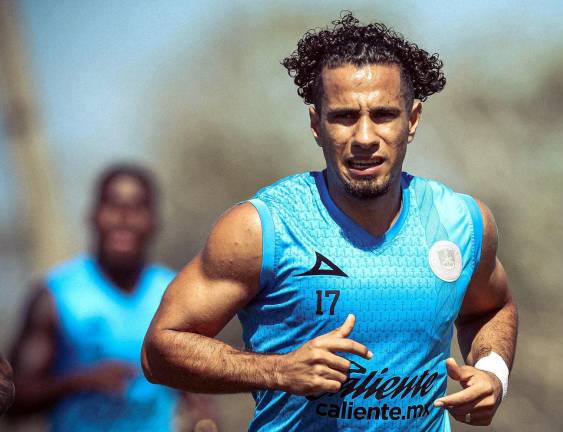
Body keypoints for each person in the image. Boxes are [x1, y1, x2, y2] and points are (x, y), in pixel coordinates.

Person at [142, 12, 518, 431]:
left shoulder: (462, 223)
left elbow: (492, 308)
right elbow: (159, 351)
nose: (364, 137)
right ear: (316, 124)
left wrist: (493, 373)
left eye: (383, 115)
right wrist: (278, 370)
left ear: (412, 121)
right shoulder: (263, 228)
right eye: (343, 117)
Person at [8, 164, 213, 431]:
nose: (124, 217)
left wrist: (202, 415)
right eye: (113, 204)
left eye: (137, 207)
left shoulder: (175, 294)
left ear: (153, 221)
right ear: (92, 216)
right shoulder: (56, 296)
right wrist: (77, 382)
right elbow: (12, 399)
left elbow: (199, 398)